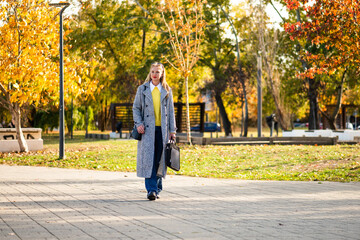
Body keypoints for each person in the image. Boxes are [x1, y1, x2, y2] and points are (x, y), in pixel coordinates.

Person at [132, 62, 176, 201]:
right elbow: (136, 108)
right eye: (153, 72)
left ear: (162, 73)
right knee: (148, 160)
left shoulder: (166, 90)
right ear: (150, 73)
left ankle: (157, 188)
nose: (155, 74)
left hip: (162, 131)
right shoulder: (142, 89)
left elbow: (171, 112)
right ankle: (151, 190)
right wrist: (139, 123)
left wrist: (172, 130)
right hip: (147, 131)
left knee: (159, 160)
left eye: (158, 72)